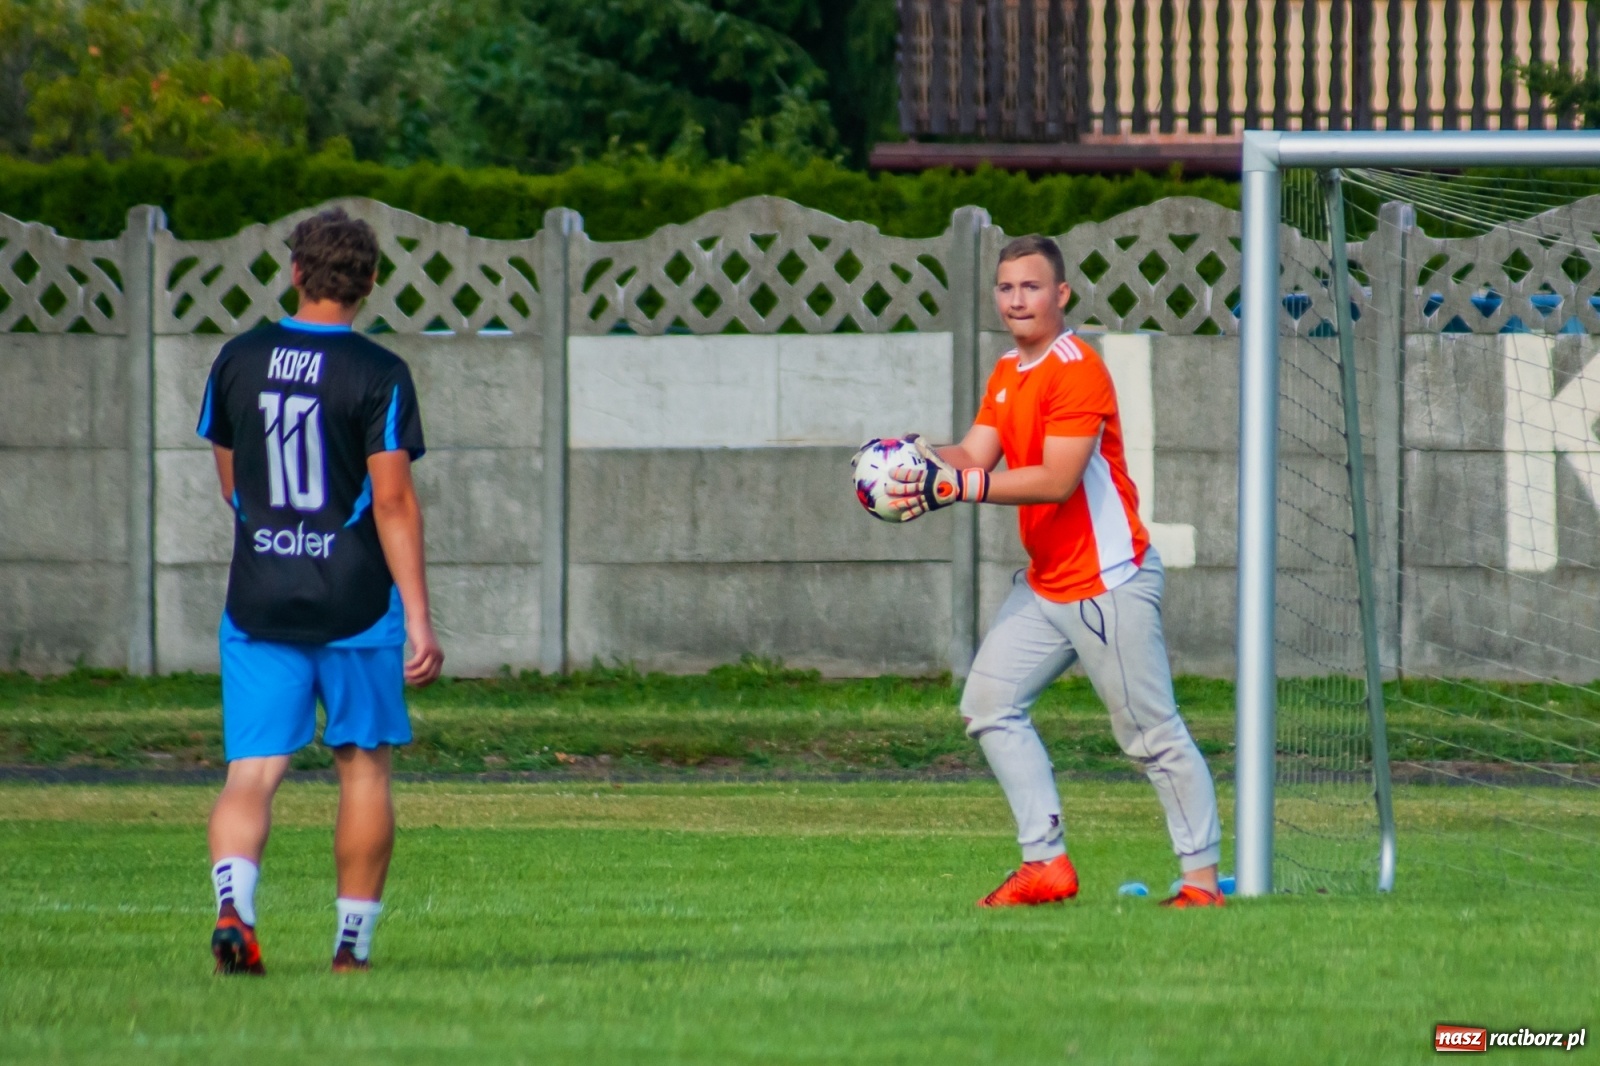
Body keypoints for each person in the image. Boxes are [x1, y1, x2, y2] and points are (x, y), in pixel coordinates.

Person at [881, 235, 1224, 908]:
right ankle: (1046, 865)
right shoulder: (1008, 371)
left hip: (1107, 583)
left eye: (1031, 287)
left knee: (1151, 737)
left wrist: (956, 487)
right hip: (1046, 586)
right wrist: (912, 460)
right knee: (988, 705)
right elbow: (974, 451)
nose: (1017, 299)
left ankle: (1201, 886)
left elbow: (1057, 480)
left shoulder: (1078, 369)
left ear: (1061, 294)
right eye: (1006, 288)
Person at [196, 207, 444, 974]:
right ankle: (350, 948)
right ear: (370, 282)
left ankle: (234, 906)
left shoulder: (238, 359)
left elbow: (233, 484)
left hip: (261, 597)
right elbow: (394, 502)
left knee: (254, 770)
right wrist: (421, 620)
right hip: (356, 602)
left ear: (296, 272)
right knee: (363, 764)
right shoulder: (379, 375)